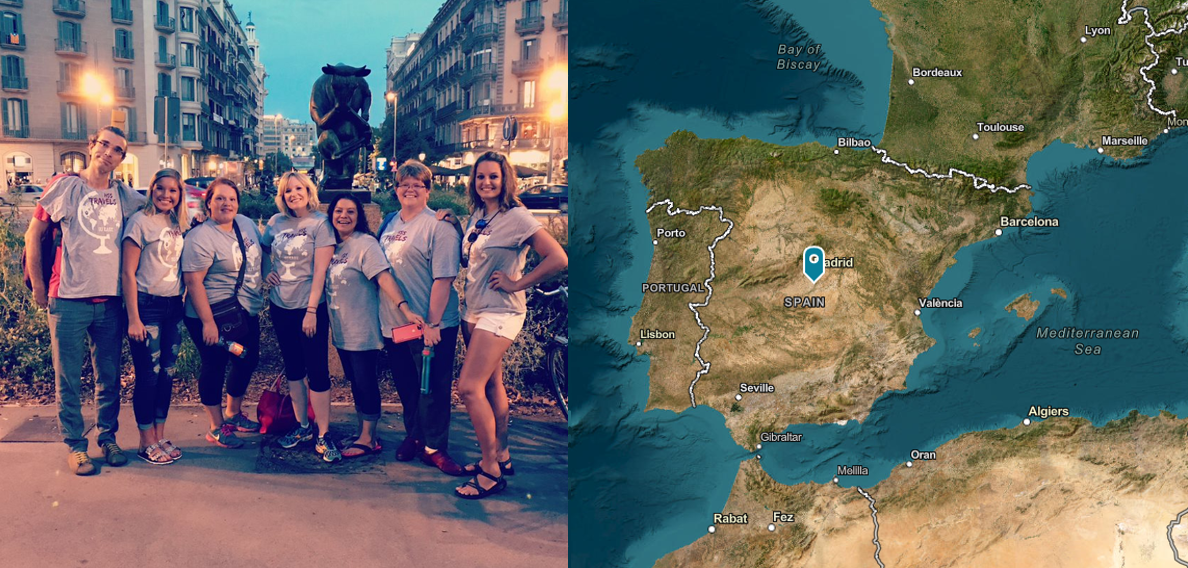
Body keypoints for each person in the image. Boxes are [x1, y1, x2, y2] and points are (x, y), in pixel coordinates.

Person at [24, 126, 146, 476]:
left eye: (117, 150)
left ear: (122, 159)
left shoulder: (125, 196)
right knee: (69, 378)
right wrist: (38, 286)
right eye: (103, 144)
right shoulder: (66, 186)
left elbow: (157, 212)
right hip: (68, 299)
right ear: (92, 146)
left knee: (108, 376)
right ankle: (76, 446)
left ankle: (107, 438)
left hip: (109, 302)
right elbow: (35, 234)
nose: (108, 152)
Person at [454, 151, 567, 499]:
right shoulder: (478, 215)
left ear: (505, 180)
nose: (486, 182)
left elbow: (559, 257)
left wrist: (518, 283)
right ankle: (501, 455)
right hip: (474, 308)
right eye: (480, 177)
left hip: (500, 312)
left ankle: (490, 471)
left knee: (468, 388)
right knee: (491, 385)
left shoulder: (517, 217)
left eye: (493, 176)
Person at [377, 160, 466, 475]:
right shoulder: (389, 221)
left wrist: (432, 324)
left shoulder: (438, 226)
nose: (410, 189)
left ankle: (435, 448)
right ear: (396, 189)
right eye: (404, 184)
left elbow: (444, 279)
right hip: (396, 323)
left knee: (433, 388)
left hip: (431, 324)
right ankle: (414, 436)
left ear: (428, 190)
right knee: (407, 385)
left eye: (417, 184)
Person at [323, 193, 423, 458]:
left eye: (351, 212)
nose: (344, 216)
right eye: (339, 211)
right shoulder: (331, 245)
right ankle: (364, 432)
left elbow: (383, 277)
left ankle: (368, 438)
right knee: (356, 382)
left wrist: (405, 308)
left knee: (365, 382)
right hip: (341, 330)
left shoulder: (365, 244)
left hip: (362, 329)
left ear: (359, 217)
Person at [181, 177, 265, 449]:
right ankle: (216, 426)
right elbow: (194, 282)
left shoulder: (246, 225)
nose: (226, 203)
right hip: (212, 316)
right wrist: (208, 323)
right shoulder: (201, 237)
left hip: (242, 313)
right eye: (219, 198)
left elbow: (262, 254)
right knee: (215, 365)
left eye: (231, 198)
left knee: (246, 358)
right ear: (209, 204)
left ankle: (233, 413)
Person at [263, 172, 339, 462]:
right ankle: (302, 426)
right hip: (280, 305)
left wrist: (311, 310)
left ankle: (323, 433)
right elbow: (262, 248)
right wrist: (265, 271)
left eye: (298, 189)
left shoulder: (320, 224)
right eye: (287, 191)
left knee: (317, 370)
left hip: (310, 308)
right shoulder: (275, 222)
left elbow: (321, 270)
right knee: (294, 369)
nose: (293, 194)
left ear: (309, 191)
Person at [121, 169, 187, 465]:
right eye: (160, 188)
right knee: (149, 376)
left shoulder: (177, 222)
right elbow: (127, 273)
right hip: (146, 307)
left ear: (179, 194)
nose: (166, 195)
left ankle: (160, 435)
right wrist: (133, 318)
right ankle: (145, 440)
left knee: (168, 374)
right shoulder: (139, 222)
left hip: (173, 306)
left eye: (172, 190)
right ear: (151, 189)